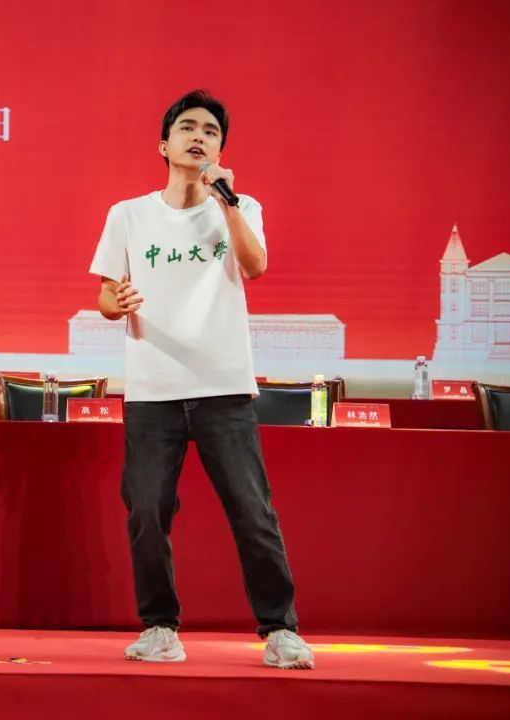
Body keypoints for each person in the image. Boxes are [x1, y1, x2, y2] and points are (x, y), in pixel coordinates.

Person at [89, 90, 314, 669]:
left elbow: (255, 266)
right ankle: (160, 628)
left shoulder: (240, 206)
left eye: (211, 132)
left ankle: (280, 629)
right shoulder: (128, 214)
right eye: (187, 128)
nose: (199, 136)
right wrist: (118, 302)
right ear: (163, 145)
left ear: (219, 150)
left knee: (252, 511)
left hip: (224, 388)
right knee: (146, 510)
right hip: (153, 390)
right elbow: (106, 294)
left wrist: (227, 204)